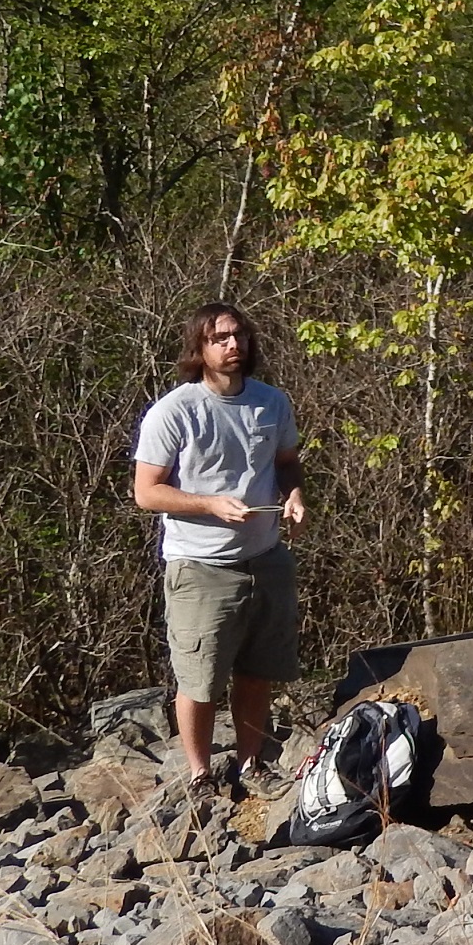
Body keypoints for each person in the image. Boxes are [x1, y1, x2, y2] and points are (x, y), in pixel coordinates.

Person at [131, 301, 307, 794]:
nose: (233, 346)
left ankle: (253, 766)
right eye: (219, 338)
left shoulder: (272, 401)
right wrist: (210, 505)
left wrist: (293, 496)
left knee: (258, 673)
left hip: (267, 558)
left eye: (239, 337)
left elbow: (287, 461)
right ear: (199, 349)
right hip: (201, 566)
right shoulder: (174, 411)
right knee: (201, 680)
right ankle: (200, 775)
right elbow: (147, 492)